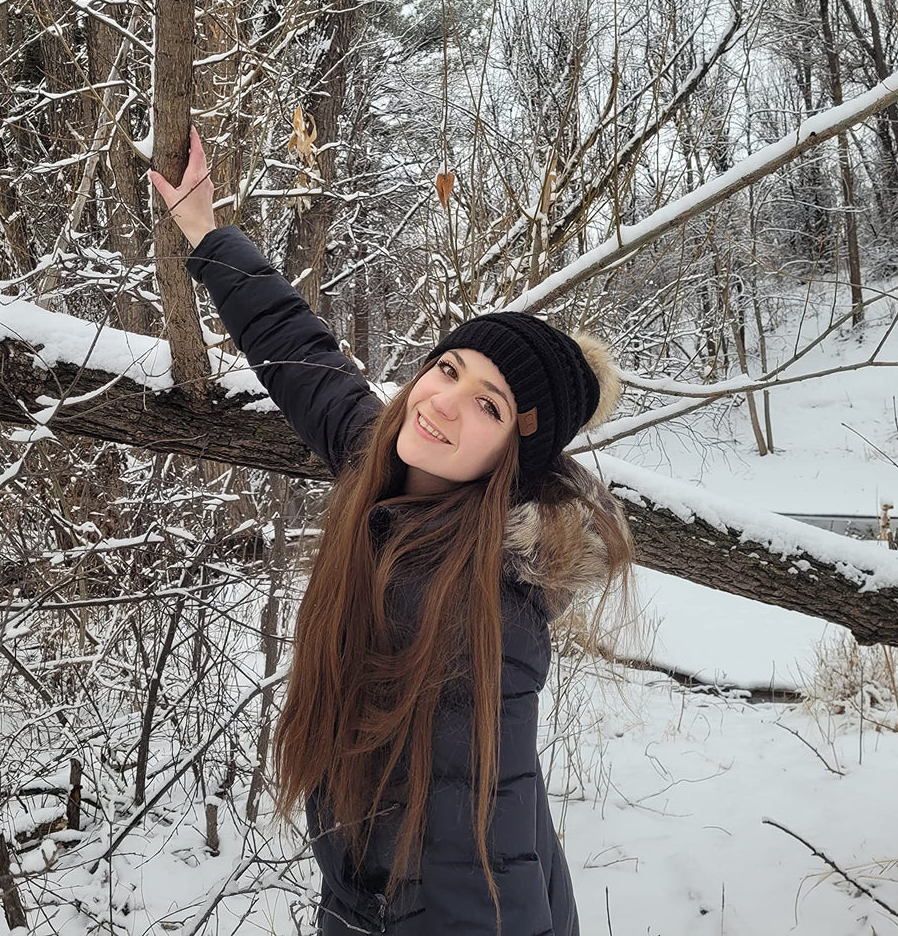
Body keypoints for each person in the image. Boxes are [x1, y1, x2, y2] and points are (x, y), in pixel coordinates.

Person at [150, 129, 634, 936]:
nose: (444, 403)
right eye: (449, 371)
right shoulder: (388, 466)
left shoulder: (483, 611)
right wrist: (207, 231)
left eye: (489, 405)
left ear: (514, 455)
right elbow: (302, 357)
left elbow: (481, 853)